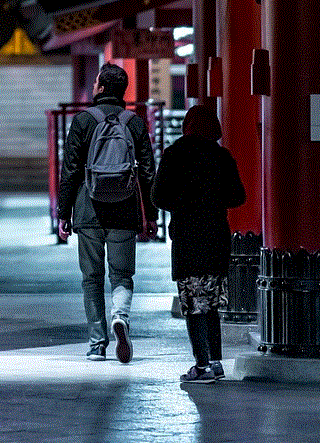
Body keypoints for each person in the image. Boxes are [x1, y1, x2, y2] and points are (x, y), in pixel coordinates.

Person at [56, 63, 158, 362]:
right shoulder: (134, 123)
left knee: (92, 278)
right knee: (122, 275)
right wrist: (150, 214)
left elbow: (70, 170)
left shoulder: (83, 121)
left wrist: (64, 212)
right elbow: (148, 173)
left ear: (99, 87)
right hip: (125, 208)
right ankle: (121, 318)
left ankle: (97, 345)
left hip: (88, 208)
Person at [150, 102, 246, 383]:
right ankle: (215, 362)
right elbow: (238, 197)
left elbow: (157, 197)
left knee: (193, 304)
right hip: (217, 236)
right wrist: (212, 201)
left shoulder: (175, 154)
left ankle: (201, 365)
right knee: (212, 305)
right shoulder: (222, 156)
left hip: (188, 236)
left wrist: (184, 204)